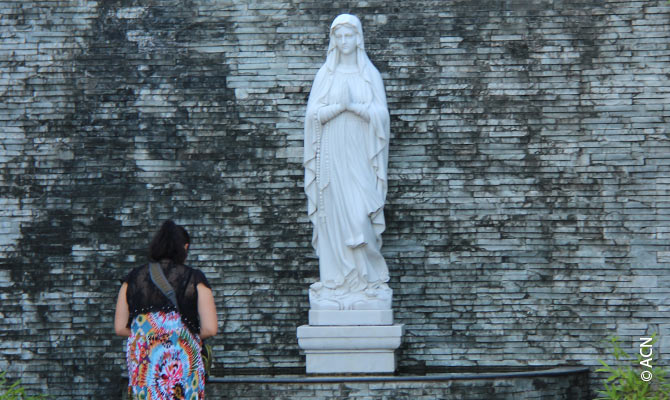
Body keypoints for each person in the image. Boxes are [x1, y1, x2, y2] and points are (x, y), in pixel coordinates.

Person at [304, 14, 392, 311]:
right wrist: (337, 108)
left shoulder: (370, 75)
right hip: (331, 153)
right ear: (334, 40)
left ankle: (366, 281)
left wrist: (353, 107)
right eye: (339, 37)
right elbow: (312, 117)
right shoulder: (325, 75)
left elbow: (382, 117)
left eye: (349, 36)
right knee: (334, 221)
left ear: (358, 38)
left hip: (360, 155)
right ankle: (337, 281)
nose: (344, 42)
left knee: (359, 216)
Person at [114, 220, 217, 399]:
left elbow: (120, 327)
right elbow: (210, 328)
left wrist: (152, 335)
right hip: (182, 367)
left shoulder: (132, 279)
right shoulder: (194, 278)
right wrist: (180, 336)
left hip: (145, 366)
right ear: (183, 248)